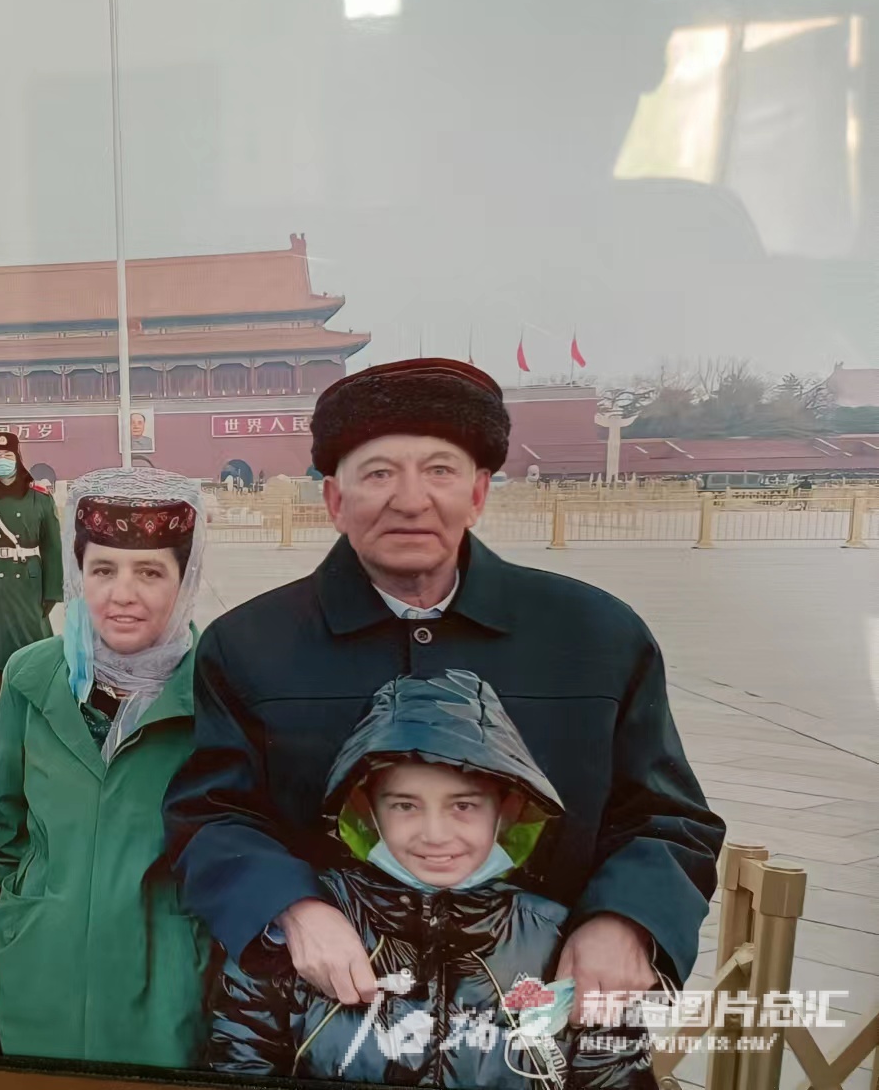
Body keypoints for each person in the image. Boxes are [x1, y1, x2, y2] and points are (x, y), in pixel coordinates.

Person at [164, 358, 724, 1027]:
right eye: (378, 473)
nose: (410, 500)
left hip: (544, 1024)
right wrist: (294, 908)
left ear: (479, 493)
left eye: (439, 470)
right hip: (324, 1022)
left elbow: (667, 817)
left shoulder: (596, 636)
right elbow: (212, 815)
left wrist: (626, 918)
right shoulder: (250, 645)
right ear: (335, 501)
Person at [209, 670, 655, 1088]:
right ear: (366, 809)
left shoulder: (560, 940)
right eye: (405, 805)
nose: (436, 835)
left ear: (508, 810)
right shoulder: (298, 931)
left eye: (464, 805)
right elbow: (241, 1059)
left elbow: (613, 1071)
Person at [0, 468, 211, 1067]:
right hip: (39, 975)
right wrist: (26, 915)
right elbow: (5, 823)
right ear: (77, 575)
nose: (122, 594)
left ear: (184, 581)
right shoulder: (31, 677)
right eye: (103, 570)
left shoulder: (213, 692)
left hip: (163, 989)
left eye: (150, 572)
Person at [0, 430, 62, 696]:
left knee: (35, 650)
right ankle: (4, 706)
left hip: (29, 583)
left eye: (7, 454)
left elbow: (52, 548)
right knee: (0, 653)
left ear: (17, 457)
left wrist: (52, 591)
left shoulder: (39, 497)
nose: (2, 460)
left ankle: (34, 706)